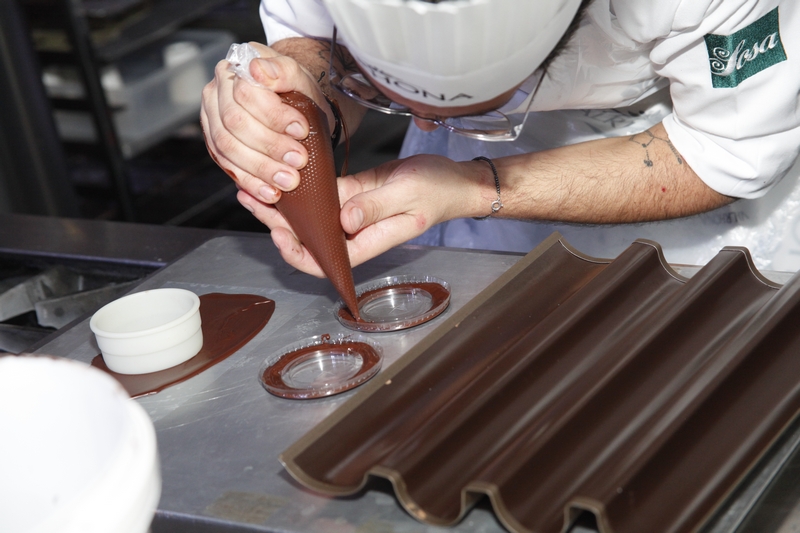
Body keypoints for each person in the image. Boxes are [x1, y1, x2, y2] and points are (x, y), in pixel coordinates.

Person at [201, 0, 800, 278]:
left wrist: (472, 185)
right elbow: (313, 40)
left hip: (672, 176)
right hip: (447, 187)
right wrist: (301, 92)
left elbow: (719, 149)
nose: (431, 126)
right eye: (397, 101)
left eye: (490, 106)